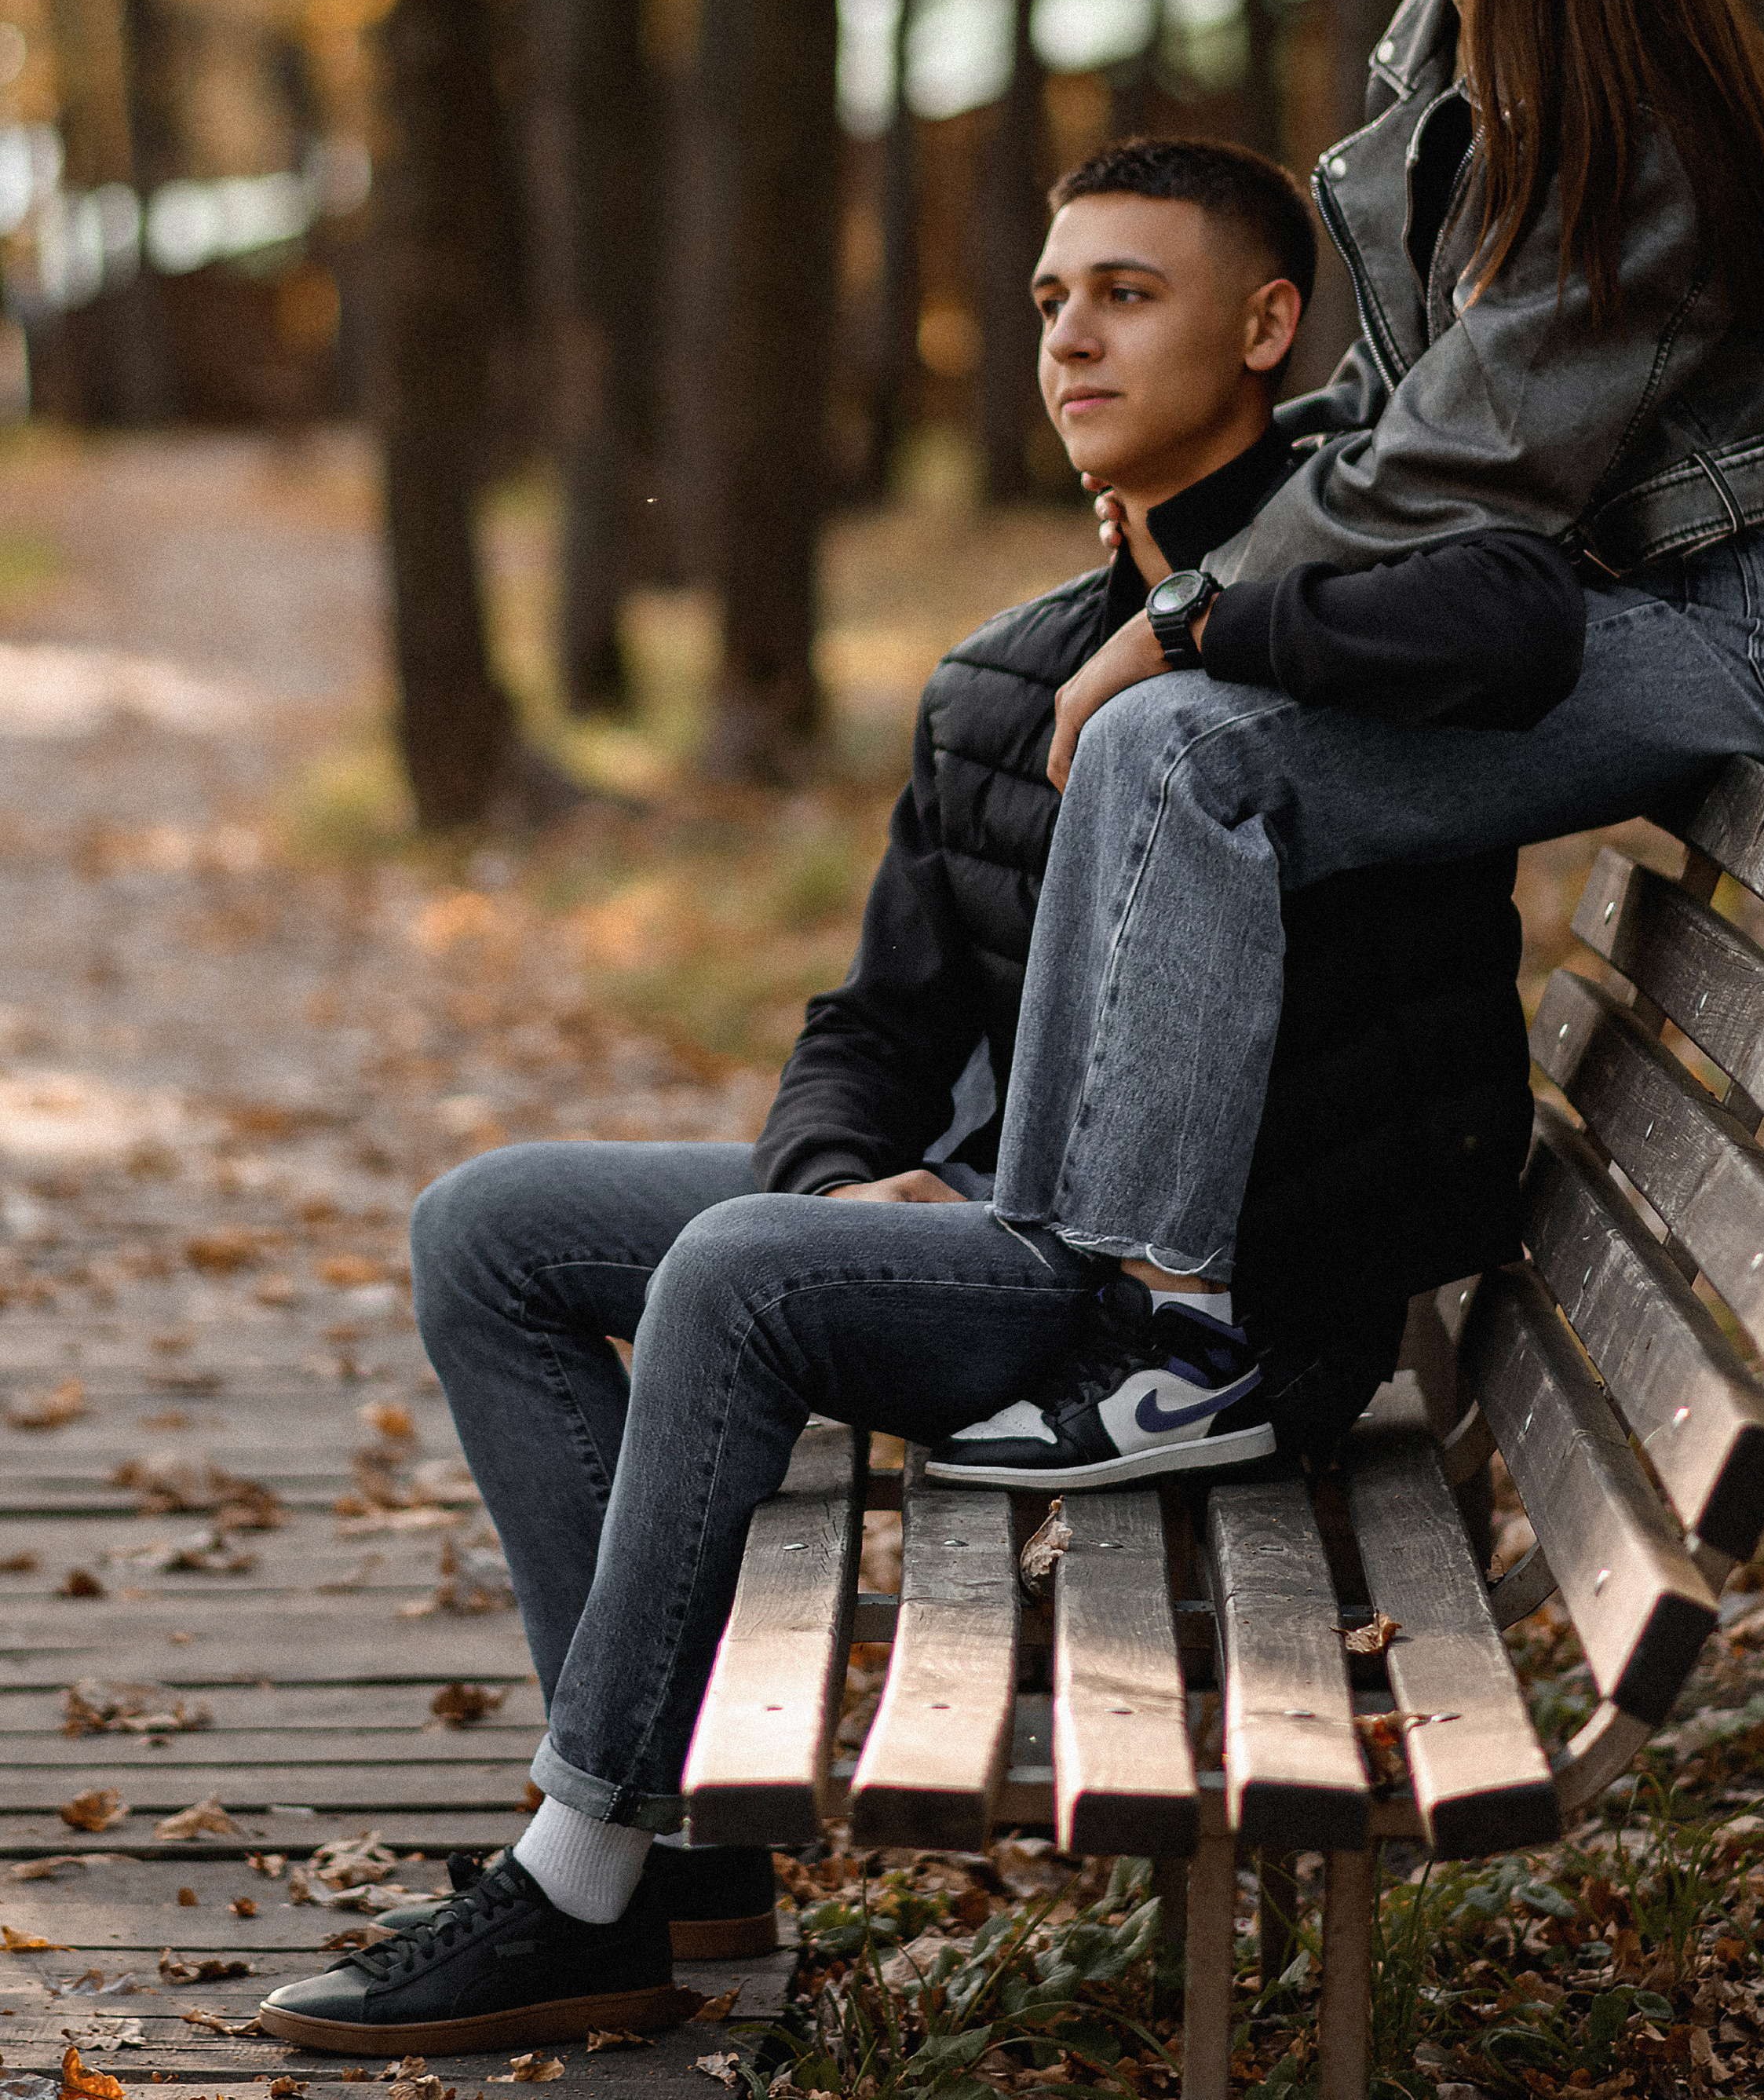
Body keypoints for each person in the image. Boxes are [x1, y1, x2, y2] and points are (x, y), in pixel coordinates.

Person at [255, 132, 1585, 2060]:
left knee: (727, 1275)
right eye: (1049, 300)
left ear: (1270, 326)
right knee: (492, 1229)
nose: (1070, 340)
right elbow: (868, 1019)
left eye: (1128, 295)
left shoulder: (1350, 626)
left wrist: (1205, 637)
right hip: (980, 1226)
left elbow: (1518, 644)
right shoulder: (1000, 681)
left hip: (1193, 1306)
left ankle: (574, 1877)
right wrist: (843, 1175)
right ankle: (692, 1844)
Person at [928, 0, 1764, 1489]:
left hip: (1697, 631)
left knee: (1182, 746)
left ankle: (1171, 1332)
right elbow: (1383, 394)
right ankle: (1048, 1271)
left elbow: (1456, 454)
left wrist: (1187, 615)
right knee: (1143, 738)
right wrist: (1180, 560)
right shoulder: (1443, 44)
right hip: (1549, 604)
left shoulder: (1636, 132)